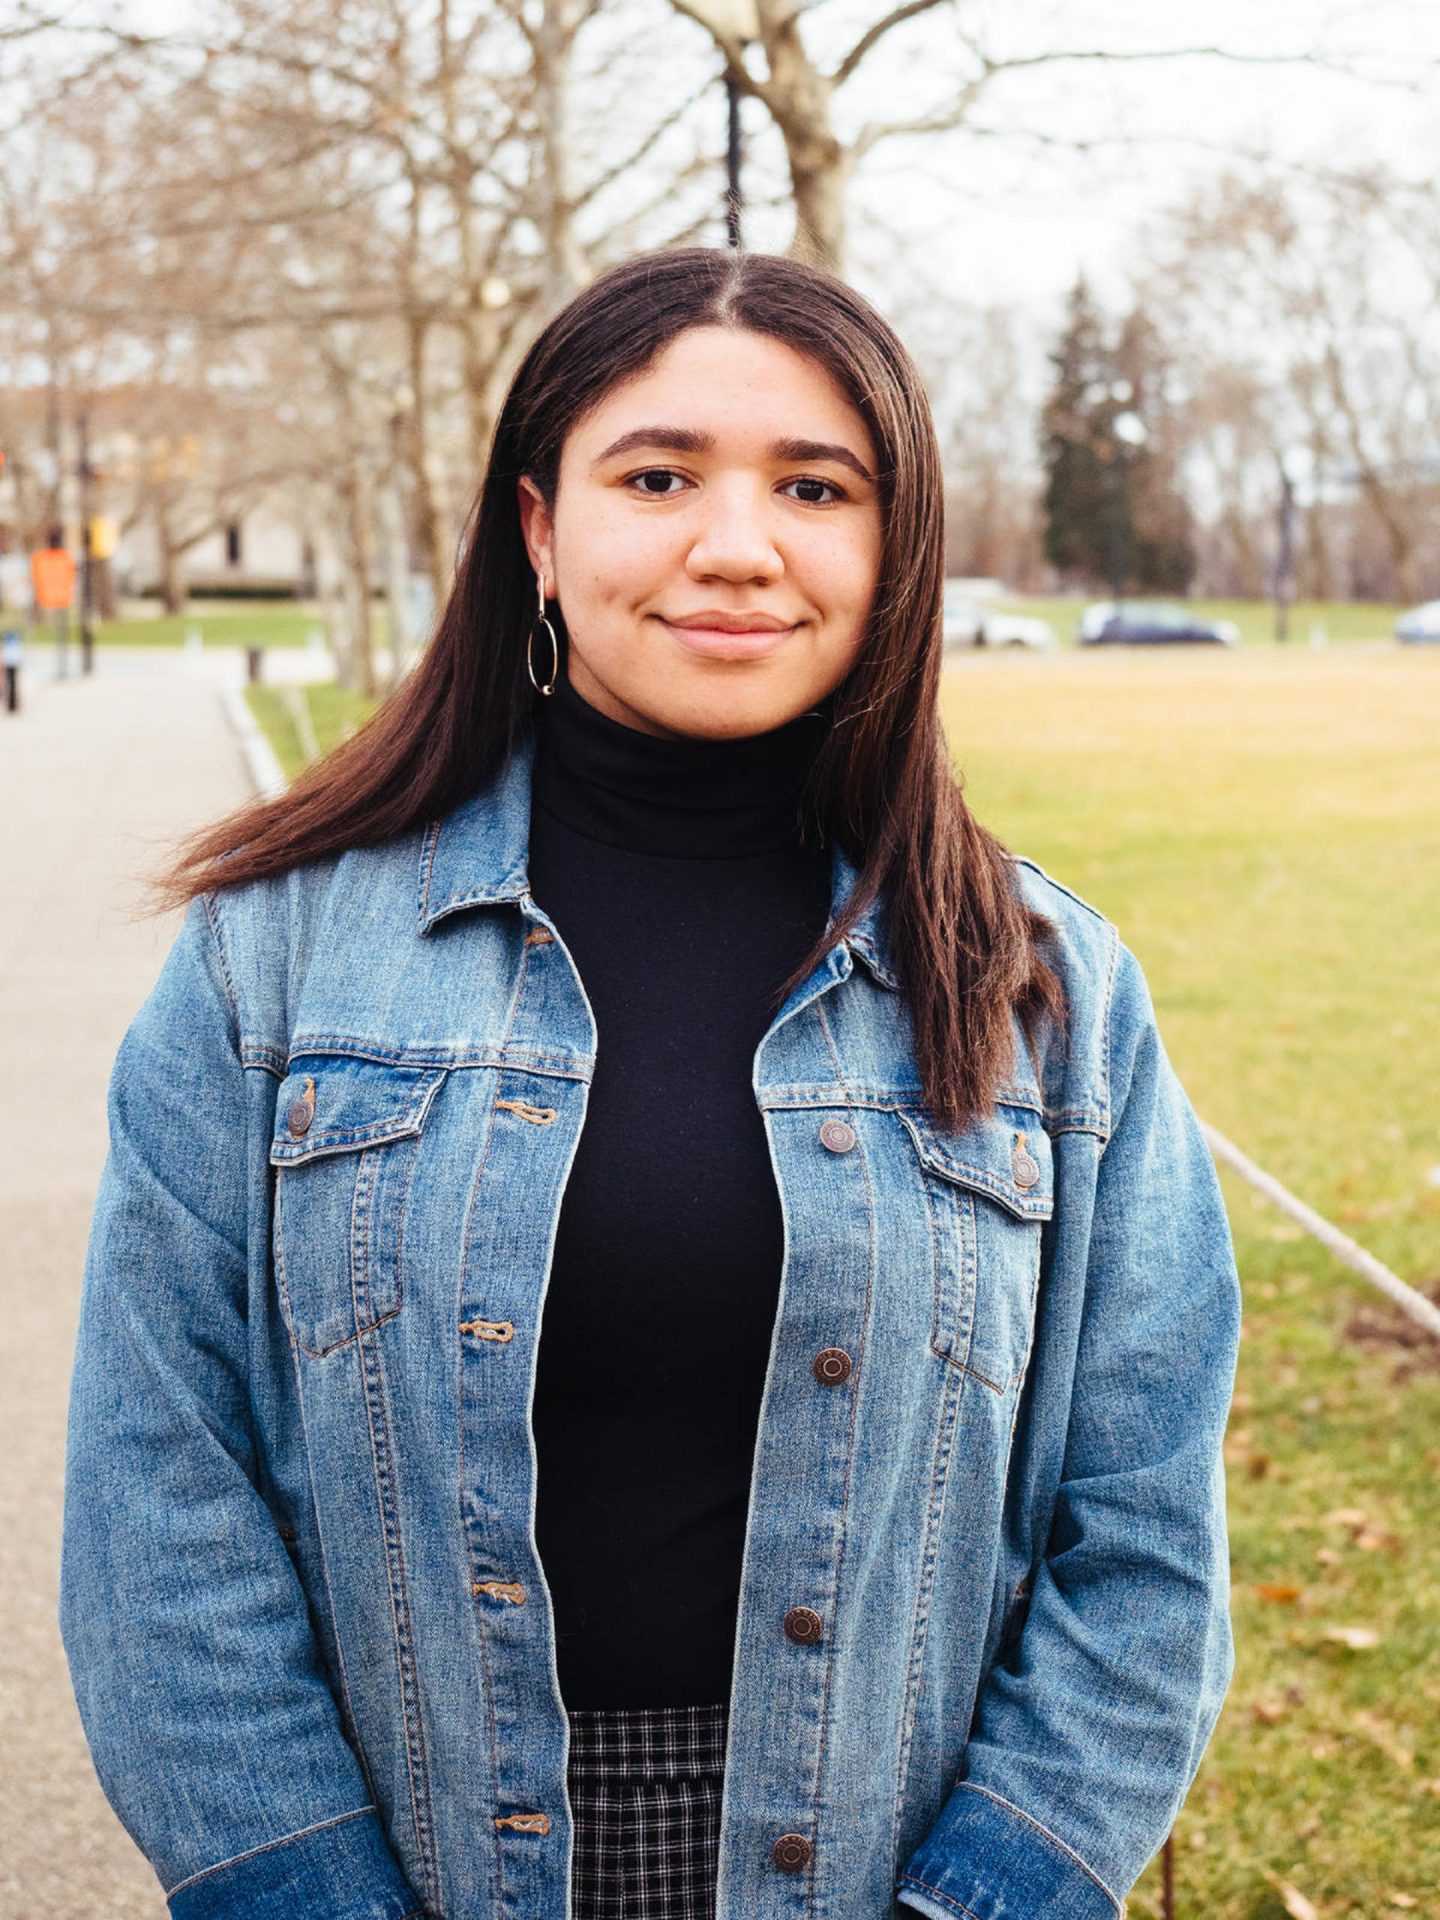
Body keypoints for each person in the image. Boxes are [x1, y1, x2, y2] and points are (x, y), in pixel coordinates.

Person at [59, 247, 1241, 1920]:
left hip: (894, 1873)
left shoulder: (1046, 987)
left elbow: (1146, 1538)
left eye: (815, 486)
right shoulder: (277, 960)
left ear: (893, 548)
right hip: (402, 1863)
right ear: (540, 530)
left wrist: (992, 1893)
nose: (737, 545)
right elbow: (157, 1492)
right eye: (660, 475)